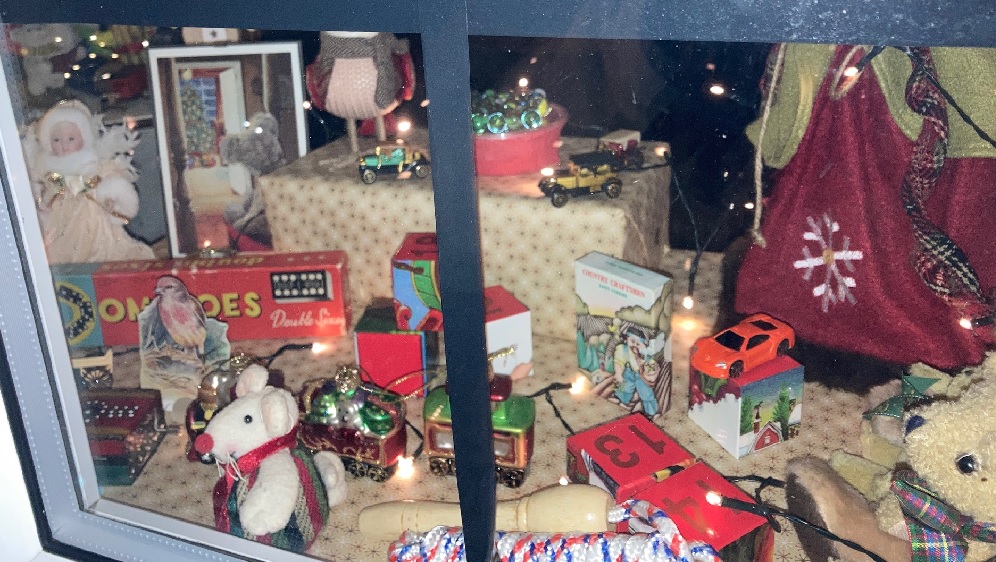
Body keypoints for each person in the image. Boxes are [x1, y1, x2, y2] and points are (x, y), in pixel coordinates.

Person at [28, 100, 154, 263]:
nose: (64, 145)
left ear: (84, 138)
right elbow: (40, 192)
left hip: (93, 220)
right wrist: (40, 204)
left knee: (104, 248)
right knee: (57, 252)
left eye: (71, 139)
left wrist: (111, 199)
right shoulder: (46, 170)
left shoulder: (96, 164)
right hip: (60, 223)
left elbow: (114, 181)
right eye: (56, 140)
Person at [613, 326, 659, 417]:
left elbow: (652, 367)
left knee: (646, 393)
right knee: (624, 387)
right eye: (632, 341)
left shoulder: (645, 355)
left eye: (638, 343)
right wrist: (618, 374)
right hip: (628, 373)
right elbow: (618, 362)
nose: (635, 345)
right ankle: (621, 400)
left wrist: (647, 368)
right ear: (626, 340)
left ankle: (651, 412)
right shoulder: (623, 350)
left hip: (641, 376)